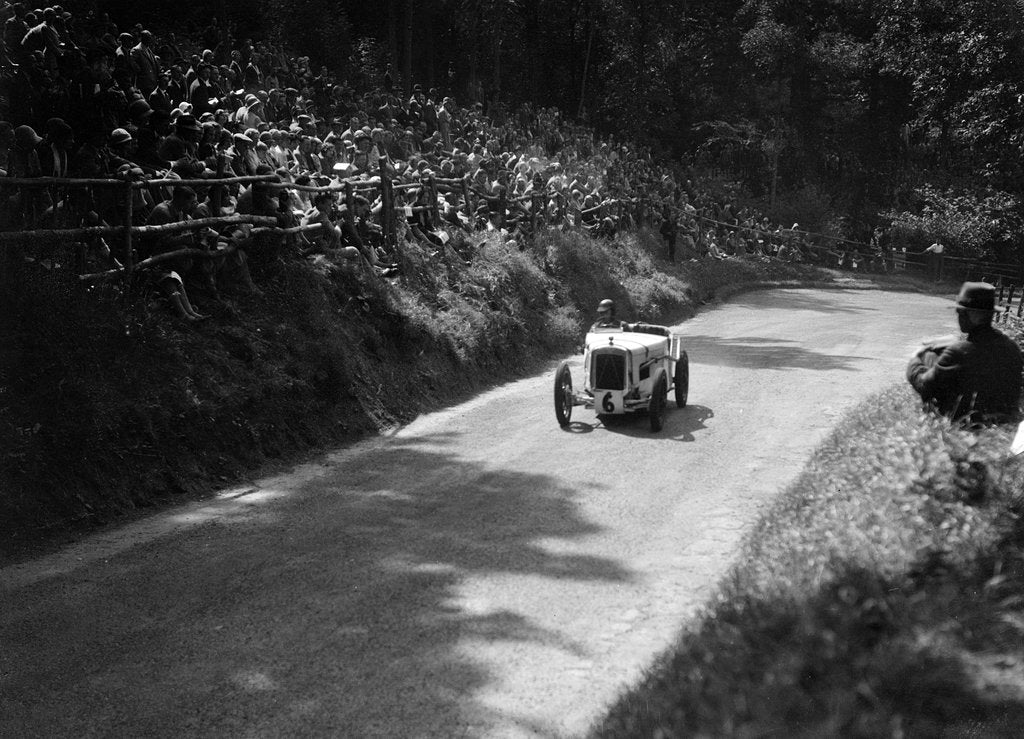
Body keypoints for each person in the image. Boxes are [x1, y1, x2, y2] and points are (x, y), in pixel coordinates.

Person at [906, 282, 1023, 424]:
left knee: (929, 357)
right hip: (1003, 422)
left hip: (968, 425)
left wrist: (915, 360)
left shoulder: (959, 353)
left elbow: (924, 385)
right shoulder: (1012, 348)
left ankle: (928, 426)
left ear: (972, 315)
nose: (958, 317)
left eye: (960, 312)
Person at [590, 299, 670, 336]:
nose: (603, 315)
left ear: (612, 311)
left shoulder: (622, 325)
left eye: (605, 312)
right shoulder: (595, 327)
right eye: (601, 313)